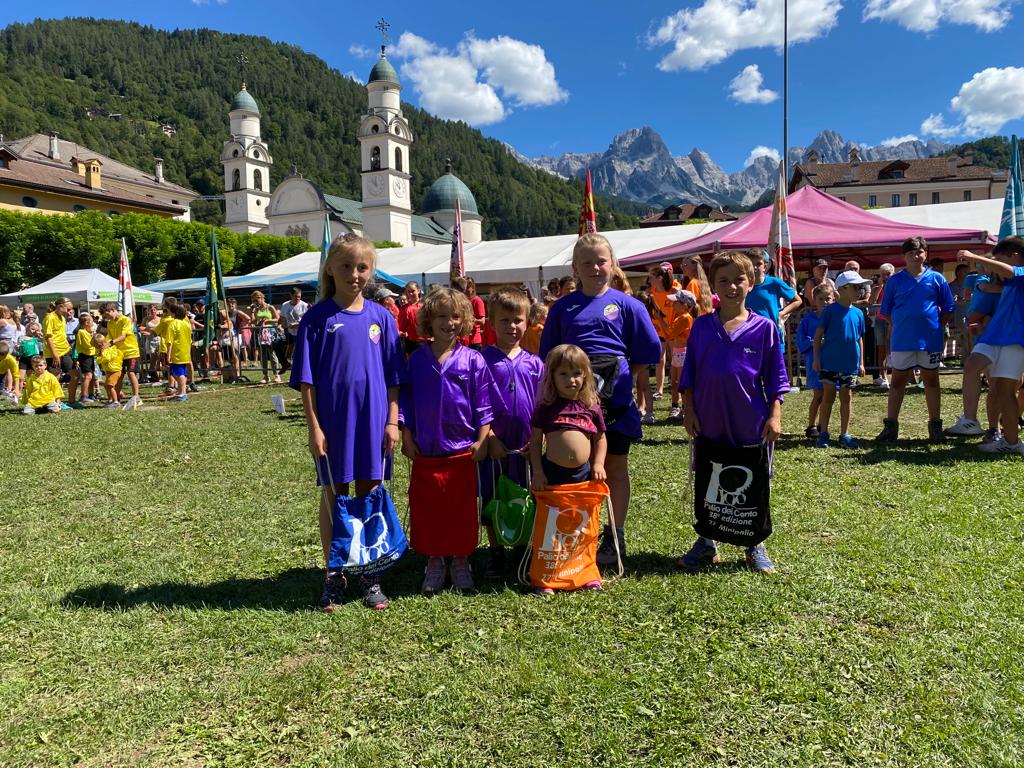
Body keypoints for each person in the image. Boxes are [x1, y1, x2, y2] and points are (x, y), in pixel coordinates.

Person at [291, 235, 408, 611]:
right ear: (330, 268)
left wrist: (392, 422)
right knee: (334, 495)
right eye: (345, 266)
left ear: (371, 271)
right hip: (334, 424)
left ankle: (369, 573)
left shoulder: (382, 318)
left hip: (374, 422)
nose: (354, 274)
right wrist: (314, 427)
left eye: (362, 267)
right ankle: (334, 573)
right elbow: (306, 381)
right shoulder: (316, 319)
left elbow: (394, 377)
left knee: (370, 493)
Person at [539, 233, 661, 567]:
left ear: (613, 264)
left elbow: (648, 351)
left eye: (601, 261)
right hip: (571, 409)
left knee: (614, 468)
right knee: (575, 469)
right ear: (575, 268)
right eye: (587, 262)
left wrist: (624, 374)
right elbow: (549, 357)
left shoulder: (629, 306)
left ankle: (614, 535)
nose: (595, 268)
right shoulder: (562, 308)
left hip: (616, 406)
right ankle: (578, 535)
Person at [677, 250, 788, 574]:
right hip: (709, 418)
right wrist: (688, 410)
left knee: (753, 481)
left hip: (750, 421)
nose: (731, 287)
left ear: (751, 282)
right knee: (709, 479)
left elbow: (777, 379)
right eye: (723, 280)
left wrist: (775, 415)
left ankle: (755, 543)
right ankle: (706, 542)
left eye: (739, 280)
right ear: (714, 285)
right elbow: (689, 375)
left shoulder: (765, 328)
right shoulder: (701, 328)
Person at [400, 287, 493, 596]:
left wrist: (482, 439)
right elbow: (406, 403)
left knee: (461, 511)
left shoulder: (473, 360)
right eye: (441, 316)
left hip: (462, 453)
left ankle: (462, 560)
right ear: (428, 319)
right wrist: (407, 435)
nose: (448, 322)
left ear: (464, 321)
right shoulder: (416, 360)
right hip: (427, 451)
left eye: (455, 316)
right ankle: (435, 560)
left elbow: (483, 405)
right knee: (429, 509)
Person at [528, 344, 607, 594]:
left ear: (586, 376)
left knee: (582, 526)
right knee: (552, 528)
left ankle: (584, 572)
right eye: (563, 373)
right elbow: (535, 443)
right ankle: (548, 575)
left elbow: (601, 438)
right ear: (552, 376)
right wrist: (538, 471)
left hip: (583, 475)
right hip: (552, 474)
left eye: (576, 373)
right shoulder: (546, 407)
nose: (570, 380)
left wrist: (598, 463)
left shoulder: (590, 406)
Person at [479, 287, 544, 579]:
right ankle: (495, 551)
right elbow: (476, 404)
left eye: (518, 320)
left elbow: (543, 405)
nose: (512, 326)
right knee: (492, 497)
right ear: (492, 322)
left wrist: (537, 440)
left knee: (525, 497)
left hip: (526, 447)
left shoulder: (535, 363)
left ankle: (521, 547)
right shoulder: (481, 361)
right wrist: (490, 437)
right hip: (493, 447)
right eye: (504, 320)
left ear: (527, 322)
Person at [876, 238, 954, 444]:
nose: (915, 256)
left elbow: (948, 307)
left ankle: (935, 427)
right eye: (910, 252)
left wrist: (937, 327)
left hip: (929, 341)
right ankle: (891, 427)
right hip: (902, 340)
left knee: (931, 381)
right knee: (897, 382)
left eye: (919, 251)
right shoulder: (894, 281)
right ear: (904, 256)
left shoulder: (937, 278)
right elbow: (886, 311)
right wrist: (901, 325)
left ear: (925, 254)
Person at [950, 242, 1024, 455]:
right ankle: (970, 420)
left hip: (1014, 341)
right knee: (972, 365)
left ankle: (1011, 443)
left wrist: (975, 258)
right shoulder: (1009, 281)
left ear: (1015, 256)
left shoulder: (1019, 274)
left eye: (999, 259)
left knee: (1004, 392)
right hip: (993, 337)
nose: (994, 266)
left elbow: (1009, 271)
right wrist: (983, 326)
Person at [945, 266, 1004, 442]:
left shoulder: (1012, 284)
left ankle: (1001, 426)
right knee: (979, 370)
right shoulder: (983, 283)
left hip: (1008, 340)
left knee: (1002, 384)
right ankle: (983, 425)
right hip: (989, 339)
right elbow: (973, 317)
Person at [813, 271, 870, 448]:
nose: (860, 291)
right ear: (842, 289)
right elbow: (818, 336)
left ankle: (844, 434)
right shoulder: (830, 311)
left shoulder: (858, 313)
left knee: (847, 397)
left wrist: (861, 363)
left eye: (861, 288)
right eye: (856, 287)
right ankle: (823, 433)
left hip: (850, 364)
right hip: (829, 362)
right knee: (828, 397)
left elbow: (859, 339)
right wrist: (816, 359)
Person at [745, 249, 802, 355]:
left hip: (772, 334)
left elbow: (798, 300)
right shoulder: (742, 285)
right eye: (751, 263)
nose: (754, 267)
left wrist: (781, 314)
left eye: (758, 264)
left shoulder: (775, 283)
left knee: (774, 365)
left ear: (765, 266)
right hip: (750, 335)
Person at [796, 283, 833, 439]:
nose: (825, 302)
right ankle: (811, 425)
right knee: (818, 395)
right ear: (814, 301)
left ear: (833, 299)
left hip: (831, 360)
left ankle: (822, 425)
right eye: (821, 299)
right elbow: (801, 340)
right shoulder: (808, 320)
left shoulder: (834, 318)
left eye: (828, 299)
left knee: (828, 396)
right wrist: (815, 342)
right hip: (814, 360)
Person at [648, 266, 681, 405]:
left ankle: (677, 389)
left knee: (676, 361)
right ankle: (659, 390)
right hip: (659, 330)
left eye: (651, 277)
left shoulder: (674, 288)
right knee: (659, 360)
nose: (649, 280)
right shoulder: (653, 291)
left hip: (672, 330)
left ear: (660, 278)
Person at [664, 289, 697, 421]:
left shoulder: (685, 318)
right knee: (674, 382)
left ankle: (684, 409)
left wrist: (660, 319)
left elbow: (669, 334)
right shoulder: (679, 317)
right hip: (677, 352)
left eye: (676, 302)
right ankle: (675, 406)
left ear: (684, 305)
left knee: (680, 383)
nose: (673, 305)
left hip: (683, 353)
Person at [101, 302, 141, 406]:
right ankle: (116, 399)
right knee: (119, 376)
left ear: (113, 310)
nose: (107, 318)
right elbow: (109, 337)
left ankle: (136, 397)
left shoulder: (125, 320)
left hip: (131, 352)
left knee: (131, 373)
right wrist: (103, 344)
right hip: (119, 354)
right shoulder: (110, 323)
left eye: (107, 315)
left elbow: (123, 336)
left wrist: (110, 343)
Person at [870, 263, 895, 388]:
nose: (885, 277)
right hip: (880, 320)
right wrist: (879, 286)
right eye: (883, 274)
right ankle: (884, 377)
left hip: (894, 320)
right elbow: (871, 301)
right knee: (881, 348)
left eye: (888, 274)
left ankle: (898, 376)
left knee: (894, 347)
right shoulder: (877, 287)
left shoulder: (896, 286)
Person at [250, 291, 281, 384]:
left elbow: (277, 319)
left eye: (257, 299)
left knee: (272, 354)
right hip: (260, 333)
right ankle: (266, 376)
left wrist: (267, 321)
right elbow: (254, 321)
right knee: (262, 355)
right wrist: (252, 312)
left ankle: (277, 375)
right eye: (254, 300)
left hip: (270, 333)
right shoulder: (256, 309)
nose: (256, 302)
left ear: (262, 298)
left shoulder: (270, 307)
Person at [42, 297, 74, 385]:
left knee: (74, 373)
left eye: (71, 309)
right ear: (60, 307)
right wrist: (55, 355)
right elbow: (48, 337)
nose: (70, 312)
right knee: (55, 377)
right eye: (68, 309)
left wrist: (68, 345)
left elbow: (62, 334)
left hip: (65, 351)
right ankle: (53, 394)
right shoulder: (50, 318)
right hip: (53, 353)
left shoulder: (62, 318)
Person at [166, 303, 193, 402]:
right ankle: (182, 391)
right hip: (185, 351)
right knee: (178, 372)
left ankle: (182, 393)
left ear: (173, 313)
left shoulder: (173, 324)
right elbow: (190, 339)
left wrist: (168, 355)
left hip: (177, 352)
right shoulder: (186, 324)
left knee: (179, 373)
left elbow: (169, 341)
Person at [279, 287, 309, 373]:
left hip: (301, 333)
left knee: (296, 354)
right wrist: (280, 325)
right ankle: (285, 364)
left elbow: (308, 320)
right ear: (291, 295)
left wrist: (297, 324)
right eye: (296, 296)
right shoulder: (285, 305)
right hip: (289, 332)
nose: (297, 298)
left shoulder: (304, 306)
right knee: (276, 344)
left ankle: (297, 373)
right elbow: (282, 319)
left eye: (299, 296)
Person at [71, 312, 98, 406]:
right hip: (84, 356)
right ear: (86, 323)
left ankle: (91, 394)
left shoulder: (87, 332)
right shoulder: (81, 332)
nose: (93, 323)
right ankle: (83, 395)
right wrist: (94, 339)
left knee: (91, 375)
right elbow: (87, 345)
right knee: (88, 376)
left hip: (90, 355)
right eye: (91, 321)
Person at [91, 334, 123, 408]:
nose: (97, 349)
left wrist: (99, 358)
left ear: (100, 345)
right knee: (107, 386)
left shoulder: (107, 350)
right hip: (109, 371)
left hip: (114, 371)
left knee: (109, 385)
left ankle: (115, 402)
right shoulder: (104, 350)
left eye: (97, 347)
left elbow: (106, 358)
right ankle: (110, 400)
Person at [397, 281, 425, 356]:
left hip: (427, 342)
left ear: (418, 290)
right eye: (408, 292)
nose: (410, 294)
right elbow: (402, 328)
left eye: (413, 291)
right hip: (412, 343)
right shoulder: (404, 308)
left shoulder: (426, 306)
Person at [16, 321, 44, 393]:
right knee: (21, 377)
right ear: (27, 329)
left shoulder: (36, 338)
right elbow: (18, 347)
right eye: (32, 329)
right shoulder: (21, 338)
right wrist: (17, 348)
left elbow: (44, 339)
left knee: (31, 377)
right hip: (24, 358)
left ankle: (32, 391)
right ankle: (19, 392)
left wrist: (40, 333)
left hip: (34, 359)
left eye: (36, 330)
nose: (34, 331)